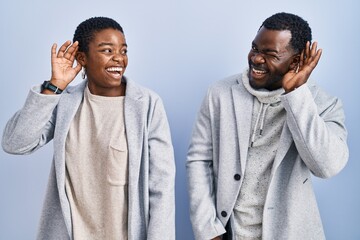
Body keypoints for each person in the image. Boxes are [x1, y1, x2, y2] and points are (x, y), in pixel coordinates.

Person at [2, 16, 175, 240]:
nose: (118, 59)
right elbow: (16, 143)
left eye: (123, 51)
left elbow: (162, 185)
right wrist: (54, 87)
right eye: (107, 50)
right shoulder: (64, 102)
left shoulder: (147, 105)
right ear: (82, 58)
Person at [186, 12, 349, 240]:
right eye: (255, 49)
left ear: (296, 61)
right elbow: (199, 160)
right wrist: (207, 229)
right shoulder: (219, 94)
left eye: (270, 54)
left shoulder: (323, 104)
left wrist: (295, 95)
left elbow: (327, 167)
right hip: (229, 233)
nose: (256, 59)